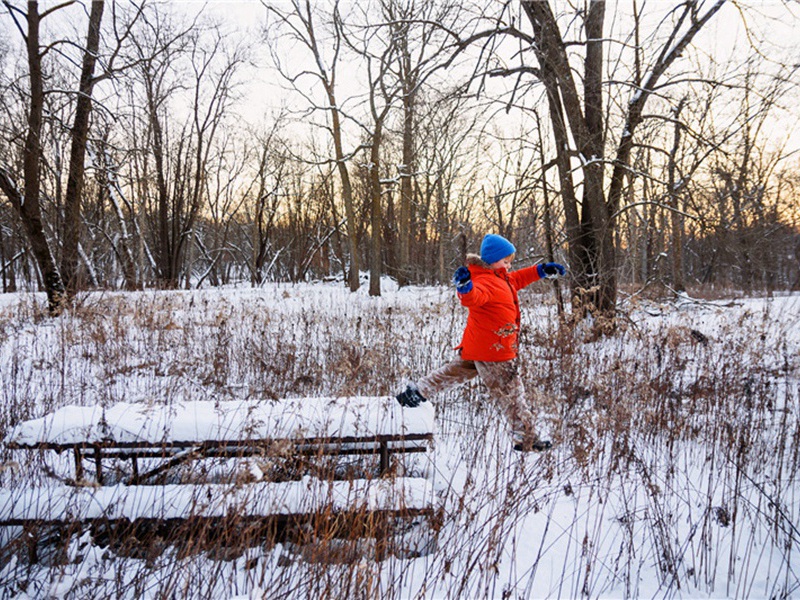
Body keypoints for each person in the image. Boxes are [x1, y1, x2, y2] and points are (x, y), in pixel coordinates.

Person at [396, 233, 566, 452]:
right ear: (492, 259)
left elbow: (518, 279)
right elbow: (473, 298)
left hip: (478, 346)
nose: (508, 263)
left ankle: (417, 392)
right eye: (505, 259)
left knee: (453, 372)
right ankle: (526, 438)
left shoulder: (501, 277)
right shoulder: (484, 281)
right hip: (495, 351)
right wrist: (464, 288)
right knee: (512, 394)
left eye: (510, 260)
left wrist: (540, 271)